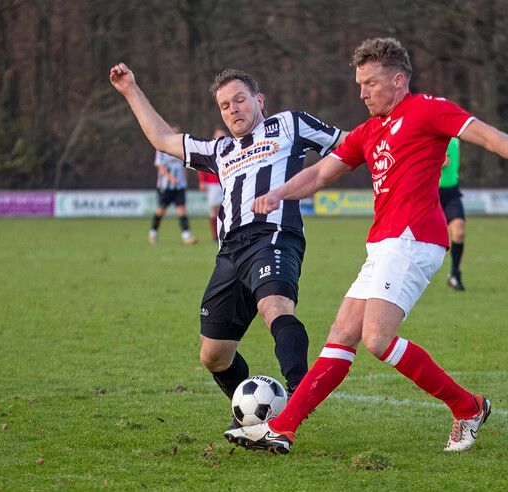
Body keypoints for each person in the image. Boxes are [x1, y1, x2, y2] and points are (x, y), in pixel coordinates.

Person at [225, 37, 508, 454]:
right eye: (358, 84)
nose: (361, 93)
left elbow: (486, 135)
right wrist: (279, 194)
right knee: (341, 336)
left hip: (415, 239)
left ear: (397, 80)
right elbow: (319, 175)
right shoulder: (368, 132)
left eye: (370, 83)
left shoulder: (427, 109)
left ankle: (467, 407)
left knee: (377, 338)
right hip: (383, 245)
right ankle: (283, 429)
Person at [110, 63, 346, 426]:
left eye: (240, 100)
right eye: (225, 105)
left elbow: (351, 143)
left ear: (259, 100)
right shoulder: (219, 150)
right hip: (229, 252)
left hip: (273, 236)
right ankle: (253, 417)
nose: (233, 109)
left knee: (275, 307)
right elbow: (162, 139)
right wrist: (130, 90)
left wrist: (409, 151)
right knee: (214, 355)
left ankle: (299, 396)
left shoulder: (290, 124)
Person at [148, 125, 198, 246]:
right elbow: (160, 166)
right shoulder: (161, 148)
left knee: (181, 209)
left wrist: (184, 181)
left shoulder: (180, 147)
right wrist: (170, 178)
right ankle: (153, 233)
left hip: (179, 186)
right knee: (161, 210)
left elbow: (184, 166)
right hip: (165, 186)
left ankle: (186, 236)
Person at [439, 137, 466, 290]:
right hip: (429, 192)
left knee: (459, 230)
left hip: (451, 192)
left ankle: (455, 274)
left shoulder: (456, 133)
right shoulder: (429, 129)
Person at [197, 129, 227, 242]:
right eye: (219, 136)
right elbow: (201, 167)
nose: (221, 138)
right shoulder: (210, 149)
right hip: (213, 184)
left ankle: (225, 233)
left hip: (225, 184)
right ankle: (215, 235)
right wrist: (202, 181)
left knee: (226, 209)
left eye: (223, 136)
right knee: (214, 209)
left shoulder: (231, 149)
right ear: (214, 136)